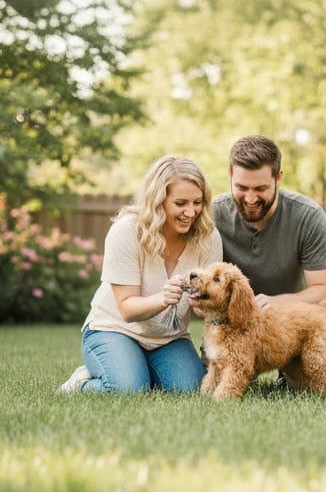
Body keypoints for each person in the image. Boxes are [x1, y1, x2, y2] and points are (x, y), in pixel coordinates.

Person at [59, 156, 222, 393]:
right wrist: (163, 299)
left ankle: (139, 370)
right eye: (180, 203)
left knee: (190, 389)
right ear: (158, 201)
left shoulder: (208, 237)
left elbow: (202, 309)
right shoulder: (127, 231)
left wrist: (204, 302)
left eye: (197, 202)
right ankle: (81, 383)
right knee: (127, 389)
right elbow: (126, 308)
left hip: (168, 338)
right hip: (114, 329)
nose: (191, 212)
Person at [212, 135, 326, 310]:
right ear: (230, 174)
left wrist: (278, 302)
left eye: (260, 189)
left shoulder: (308, 216)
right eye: (241, 187)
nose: (250, 198)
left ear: (278, 178)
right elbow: (197, 296)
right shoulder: (212, 215)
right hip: (229, 327)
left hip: (289, 324)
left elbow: (325, 289)